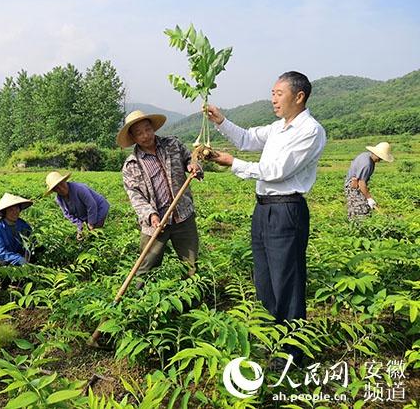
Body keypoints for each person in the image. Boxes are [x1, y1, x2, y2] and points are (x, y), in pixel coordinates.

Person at [206, 71, 326, 366]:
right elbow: (247, 138)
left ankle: (292, 352)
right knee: (265, 278)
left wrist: (232, 163)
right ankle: (273, 342)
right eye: (272, 93)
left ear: (299, 97)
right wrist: (220, 121)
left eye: (278, 93)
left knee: (287, 279)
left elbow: (277, 171)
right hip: (263, 209)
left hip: (286, 209)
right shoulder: (278, 128)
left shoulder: (310, 130)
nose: (273, 99)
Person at [118, 110, 202, 288]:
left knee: (190, 264)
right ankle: (139, 305)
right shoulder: (131, 165)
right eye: (139, 133)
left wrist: (194, 166)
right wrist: (151, 215)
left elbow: (190, 158)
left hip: (183, 216)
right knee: (146, 267)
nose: (145, 135)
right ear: (133, 137)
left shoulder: (172, 144)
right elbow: (135, 196)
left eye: (147, 129)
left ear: (153, 128)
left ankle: (192, 302)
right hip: (155, 224)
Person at [45, 171, 110, 240]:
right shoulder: (59, 199)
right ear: (54, 191)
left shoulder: (79, 189)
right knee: (83, 236)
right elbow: (67, 214)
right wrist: (80, 226)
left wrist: (91, 224)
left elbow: (91, 205)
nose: (61, 189)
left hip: (99, 208)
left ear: (64, 181)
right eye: (56, 188)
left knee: (94, 235)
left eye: (61, 184)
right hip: (85, 214)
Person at [345, 142, 394, 219]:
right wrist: (369, 198)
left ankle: (356, 227)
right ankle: (357, 228)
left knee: (362, 208)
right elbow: (361, 183)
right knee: (360, 211)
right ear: (375, 153)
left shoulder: (366, 156)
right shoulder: (366, 164)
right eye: (380, 157)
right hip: (354, 186)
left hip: (357, 185)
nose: (380, 160)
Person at [0, 193, 34, 265]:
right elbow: (0, 252)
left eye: (16, 208)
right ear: (5, 212)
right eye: (11, 210)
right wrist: (18, 259)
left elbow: (31, 239)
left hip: (16, 255)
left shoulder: (22, 224)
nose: (15, 212)